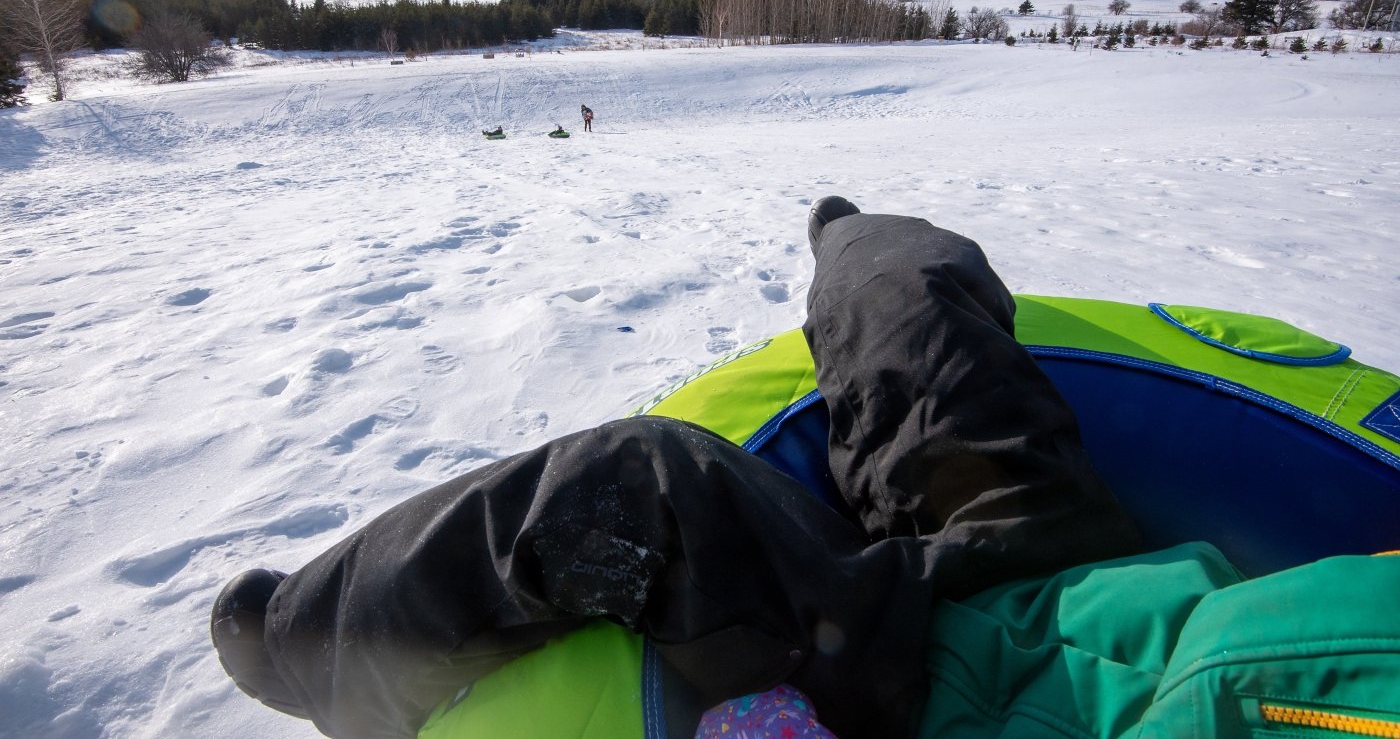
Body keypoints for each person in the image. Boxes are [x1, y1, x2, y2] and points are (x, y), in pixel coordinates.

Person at [211, 197, 1141, 739]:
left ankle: (310, 644)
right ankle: (847, 239)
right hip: (1099, 586)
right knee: (905, 286)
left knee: (640, 484)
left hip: (945, 677)